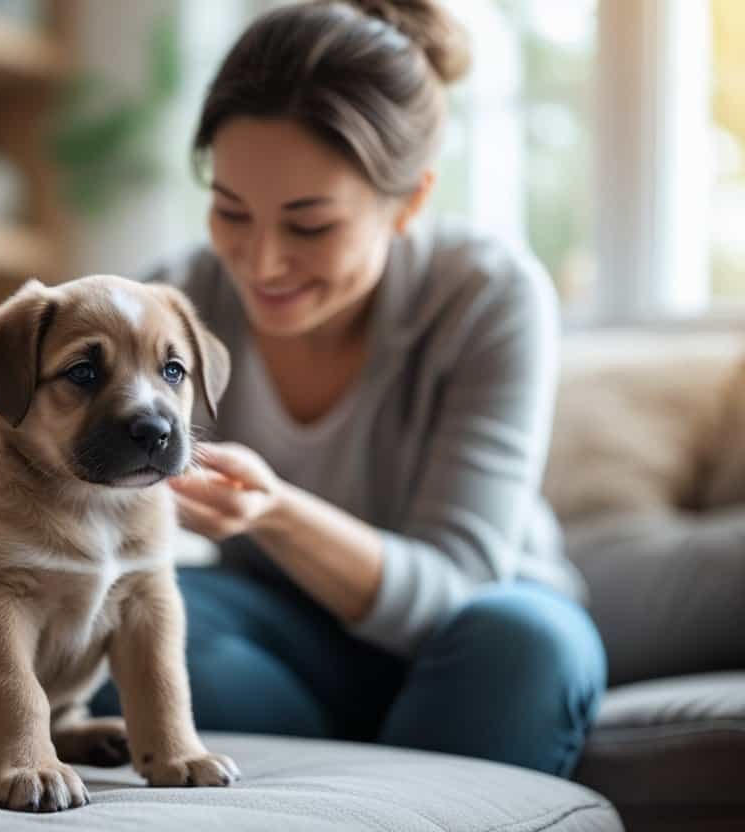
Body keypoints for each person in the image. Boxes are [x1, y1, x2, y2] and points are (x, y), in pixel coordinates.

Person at [91, 0, 607, 778]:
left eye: (310, 226)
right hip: (285, 638)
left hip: (470, 635)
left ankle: (386, 770)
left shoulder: (487, 294)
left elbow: (455, 586)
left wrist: (275, 513)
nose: (260, 263)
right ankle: (368, 773)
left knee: (529, 648)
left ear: (412, 201)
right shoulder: (177, 300)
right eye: (232, 211)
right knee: (114, 625)